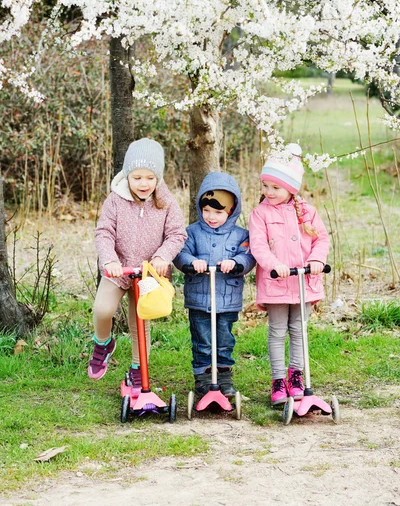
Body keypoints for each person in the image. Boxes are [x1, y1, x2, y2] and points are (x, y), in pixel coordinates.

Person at [88, 138, 187, 386]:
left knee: (140, 322)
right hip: (119, 269)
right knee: (103, 309)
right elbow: (104, 232)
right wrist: (109, 260)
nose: (144, 184)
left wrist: (162, 257)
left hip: (148, 273)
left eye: (150, 178)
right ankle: (103, 343)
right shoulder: (115, 200)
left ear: (158, 178)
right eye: (137, 177)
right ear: (127, 175)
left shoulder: (166, 202)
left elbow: (177, 234)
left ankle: (137, 367)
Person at [248, 144, 330, 406]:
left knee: (299, 329)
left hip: (304, 281)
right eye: (266, 186)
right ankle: (277, 380)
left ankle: (296, 376)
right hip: (277, 283)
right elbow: (258, 245)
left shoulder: (307, 212)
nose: (269, 192)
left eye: (276, 187)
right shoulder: (260, 214)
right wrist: (274, 264)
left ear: (291, 188)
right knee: (277, 331)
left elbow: (321, 239)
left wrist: (316, 260)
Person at [174, 172, 255, 398]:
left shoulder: (241, 235)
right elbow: (180, 253)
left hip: (227, 299)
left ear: (230, 211)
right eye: (206, 210)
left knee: (224, 340)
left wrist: (236, 263)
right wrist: (192, 262)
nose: (211, 216)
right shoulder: (191, 233)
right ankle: (203, 377)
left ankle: (224, 375)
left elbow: (248, 256)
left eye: (218, 212)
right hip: (199, 299)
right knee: (202, 340)